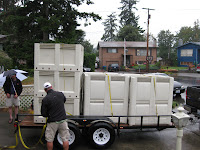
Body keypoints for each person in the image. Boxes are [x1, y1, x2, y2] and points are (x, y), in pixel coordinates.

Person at [41, 82, 69, 150]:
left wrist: (49, 113)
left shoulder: (45, 99)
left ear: (45, 90)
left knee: (50, 139)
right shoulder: (60, 94)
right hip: (63, 120)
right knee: (65, 139)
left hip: (52, 122)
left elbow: (43, 114)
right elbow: (64, 100)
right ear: (51, 87)